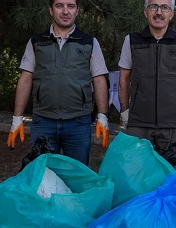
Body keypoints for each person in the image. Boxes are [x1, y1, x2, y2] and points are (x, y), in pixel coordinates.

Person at [7, 0, 110, 165]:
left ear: (77, 10)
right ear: (50, 10)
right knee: (43, 174)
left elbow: (99, 80)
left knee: (76, 176)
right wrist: (17, 118)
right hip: (43, 121)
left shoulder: (89, 42)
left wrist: (103, 117)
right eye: (59, 5)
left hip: (78, 123)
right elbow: (26, 78)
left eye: (70, 6)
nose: (65, 11)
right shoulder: (36, 42)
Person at [117, 0, 176, 156]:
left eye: (165, 8)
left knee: (169, 175)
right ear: (145, 12)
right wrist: (124, 111)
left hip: (173, 123)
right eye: (153, 7)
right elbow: (123, 80)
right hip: (138, 122)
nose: (159, 12)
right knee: (136, 174)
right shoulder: (132, 40)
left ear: (171, 14)